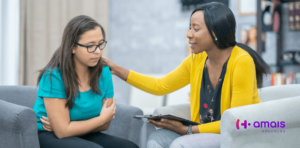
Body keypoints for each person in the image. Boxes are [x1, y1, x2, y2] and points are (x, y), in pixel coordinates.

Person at [103, 2, 269, 148]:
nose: (188, 34)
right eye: (190, 27)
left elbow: (235, 121)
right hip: (201, 133)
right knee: (157, 139)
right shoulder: (196, 60)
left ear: (215, 33)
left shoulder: (241, 61)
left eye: (195, 29)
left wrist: (188, 130)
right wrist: (117, 70)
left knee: (181, 143)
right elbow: (160, 86)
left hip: (234, 137)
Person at [33, 15, 138, 148]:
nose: (98, 51)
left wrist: (69, 128)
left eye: (101, 44)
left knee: (129, 147)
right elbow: (63, 132)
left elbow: (105, 125)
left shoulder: (104, 71)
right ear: (72, 47)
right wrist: (100, 119)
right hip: (46, 133)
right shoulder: (53, 76)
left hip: (81, 132)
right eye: (90, 46)